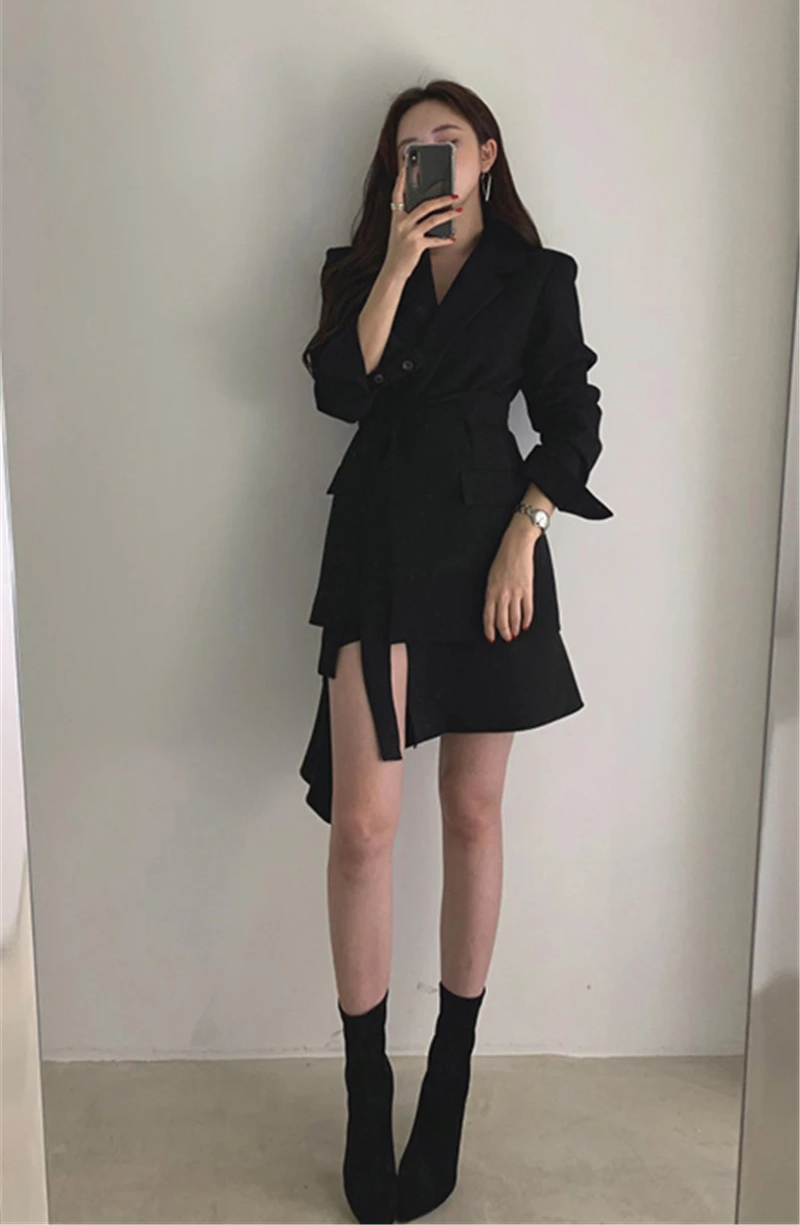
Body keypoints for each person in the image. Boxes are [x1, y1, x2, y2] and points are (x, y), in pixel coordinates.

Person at [299, 79, 613, 1224]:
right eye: (407, 150)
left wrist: (525, 533)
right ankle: (365, 1090)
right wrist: (391, 263)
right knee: (364, 825)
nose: (426, 160)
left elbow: (571, 421)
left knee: (473, 814)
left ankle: (448, 1078)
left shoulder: (536, 277)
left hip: (491, 551)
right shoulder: (356, 268)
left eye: (445, 142)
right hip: (380, 547)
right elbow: (341, 390)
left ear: (485, 151)